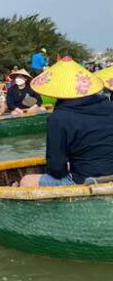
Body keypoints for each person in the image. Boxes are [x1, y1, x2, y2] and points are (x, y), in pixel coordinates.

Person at [20, 57, 113, 186]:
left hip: (86, 180)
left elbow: (56, 169)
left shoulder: (59, 118)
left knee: (26, 181)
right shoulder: (109, 106)